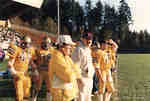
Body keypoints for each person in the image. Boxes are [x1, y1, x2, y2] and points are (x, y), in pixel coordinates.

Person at [48, 35, 82, 101]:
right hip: (61, 96)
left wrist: (75, 72)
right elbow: (69, 77)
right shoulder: (56, 58)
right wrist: (76, 72)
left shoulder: (66, 57)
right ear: (62, 46)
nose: (71, 48)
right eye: (69, 46)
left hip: (68, 95)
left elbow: (77, 71)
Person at [7, 36, 35, 101]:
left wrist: (35, 71)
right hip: (18, 73)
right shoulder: (16, 49)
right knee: (19, 95)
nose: (27, 45)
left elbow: (31, 62)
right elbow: (10, 64)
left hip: (26, 74)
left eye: (28, 43)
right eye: (25, 43)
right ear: (21, 41)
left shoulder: (30, 50)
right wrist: (14, 73)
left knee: (26, 95)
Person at [72, 32, 95, 101]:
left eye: (90, 39)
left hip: (89, 78)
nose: (89, 41)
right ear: (82, 39)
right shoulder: (78, 50)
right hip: (82, 78)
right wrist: (79, 79)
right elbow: (75, 66)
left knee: (88, 98)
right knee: (81, 98)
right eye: (87, 39)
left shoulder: (88, 49)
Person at [33, 37, 54, 101]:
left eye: (48, 43)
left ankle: (48, 99)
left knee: (49, 88)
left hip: (49, 71)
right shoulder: (38, 50)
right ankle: (34, 98)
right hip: (40, 71)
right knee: (37, 87)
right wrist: (35, 70)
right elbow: (34, 61)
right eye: (45, 43)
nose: (46, 44)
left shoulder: (52, 50)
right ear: (42, 43)